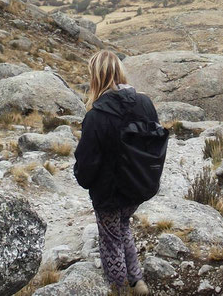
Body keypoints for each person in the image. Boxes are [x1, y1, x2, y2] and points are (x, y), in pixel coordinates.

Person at [74, 50, 158, 295]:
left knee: (110, 240)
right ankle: (137, 281)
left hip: (110, 193)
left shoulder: (96, 115)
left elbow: (87, 164)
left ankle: (119, 289)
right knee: (123, 227)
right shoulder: (145, 103)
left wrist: (81, 176)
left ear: (96, 77)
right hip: (139, 186)